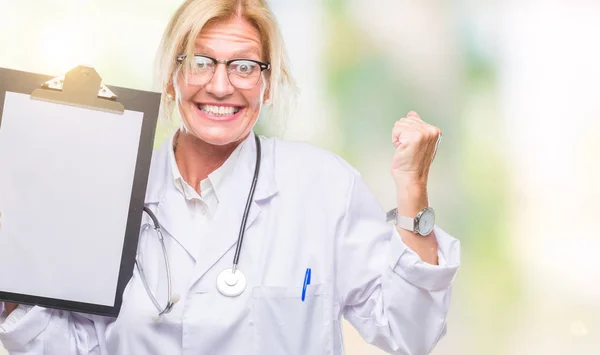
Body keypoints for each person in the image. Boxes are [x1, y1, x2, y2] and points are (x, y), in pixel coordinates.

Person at [0, 0, 461, 354]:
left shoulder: (323, 186)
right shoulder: (111, 188)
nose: (221, 86)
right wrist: (12, 265)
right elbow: (75, 347)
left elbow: (410, 330)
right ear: (171, 76)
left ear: (268, 82)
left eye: (244, 66)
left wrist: (412, 187)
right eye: (201, 62)